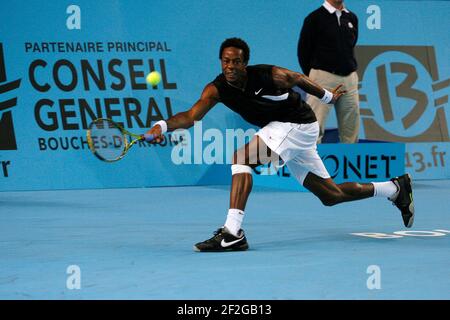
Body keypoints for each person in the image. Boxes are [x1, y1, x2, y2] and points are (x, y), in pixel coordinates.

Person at [146, 38, 414, 252]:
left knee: (241, 158)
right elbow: (191, 117)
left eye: (236, 62)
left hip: (297, 124)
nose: (230, 66)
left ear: (245, 63)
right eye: (226, 61)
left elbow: (298, 78)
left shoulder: (267, 75)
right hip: (286, 130)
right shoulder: (216, 89)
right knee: (331, 196)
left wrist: (329, 96)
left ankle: (232, 233)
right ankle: (393, 188)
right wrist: (162, 125)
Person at [298, 0, 359, 143]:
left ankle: (349, 160)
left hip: (349, 79)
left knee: (351, 128)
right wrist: (315, 77)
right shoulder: (314, 18)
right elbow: (303, 51)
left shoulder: (352, 18)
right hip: (322, 78)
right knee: (314, 126)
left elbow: (351, 45)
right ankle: (311, 164)